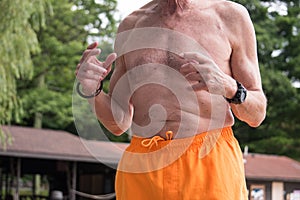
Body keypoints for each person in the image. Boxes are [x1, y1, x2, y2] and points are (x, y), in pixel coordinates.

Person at [75, 0, 267, 199]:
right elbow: (118, 123)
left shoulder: (230, 16)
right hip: (142, 167)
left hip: (209, 161)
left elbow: (256, 114)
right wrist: (93, 91)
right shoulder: (131, 25)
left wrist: (230, 87)